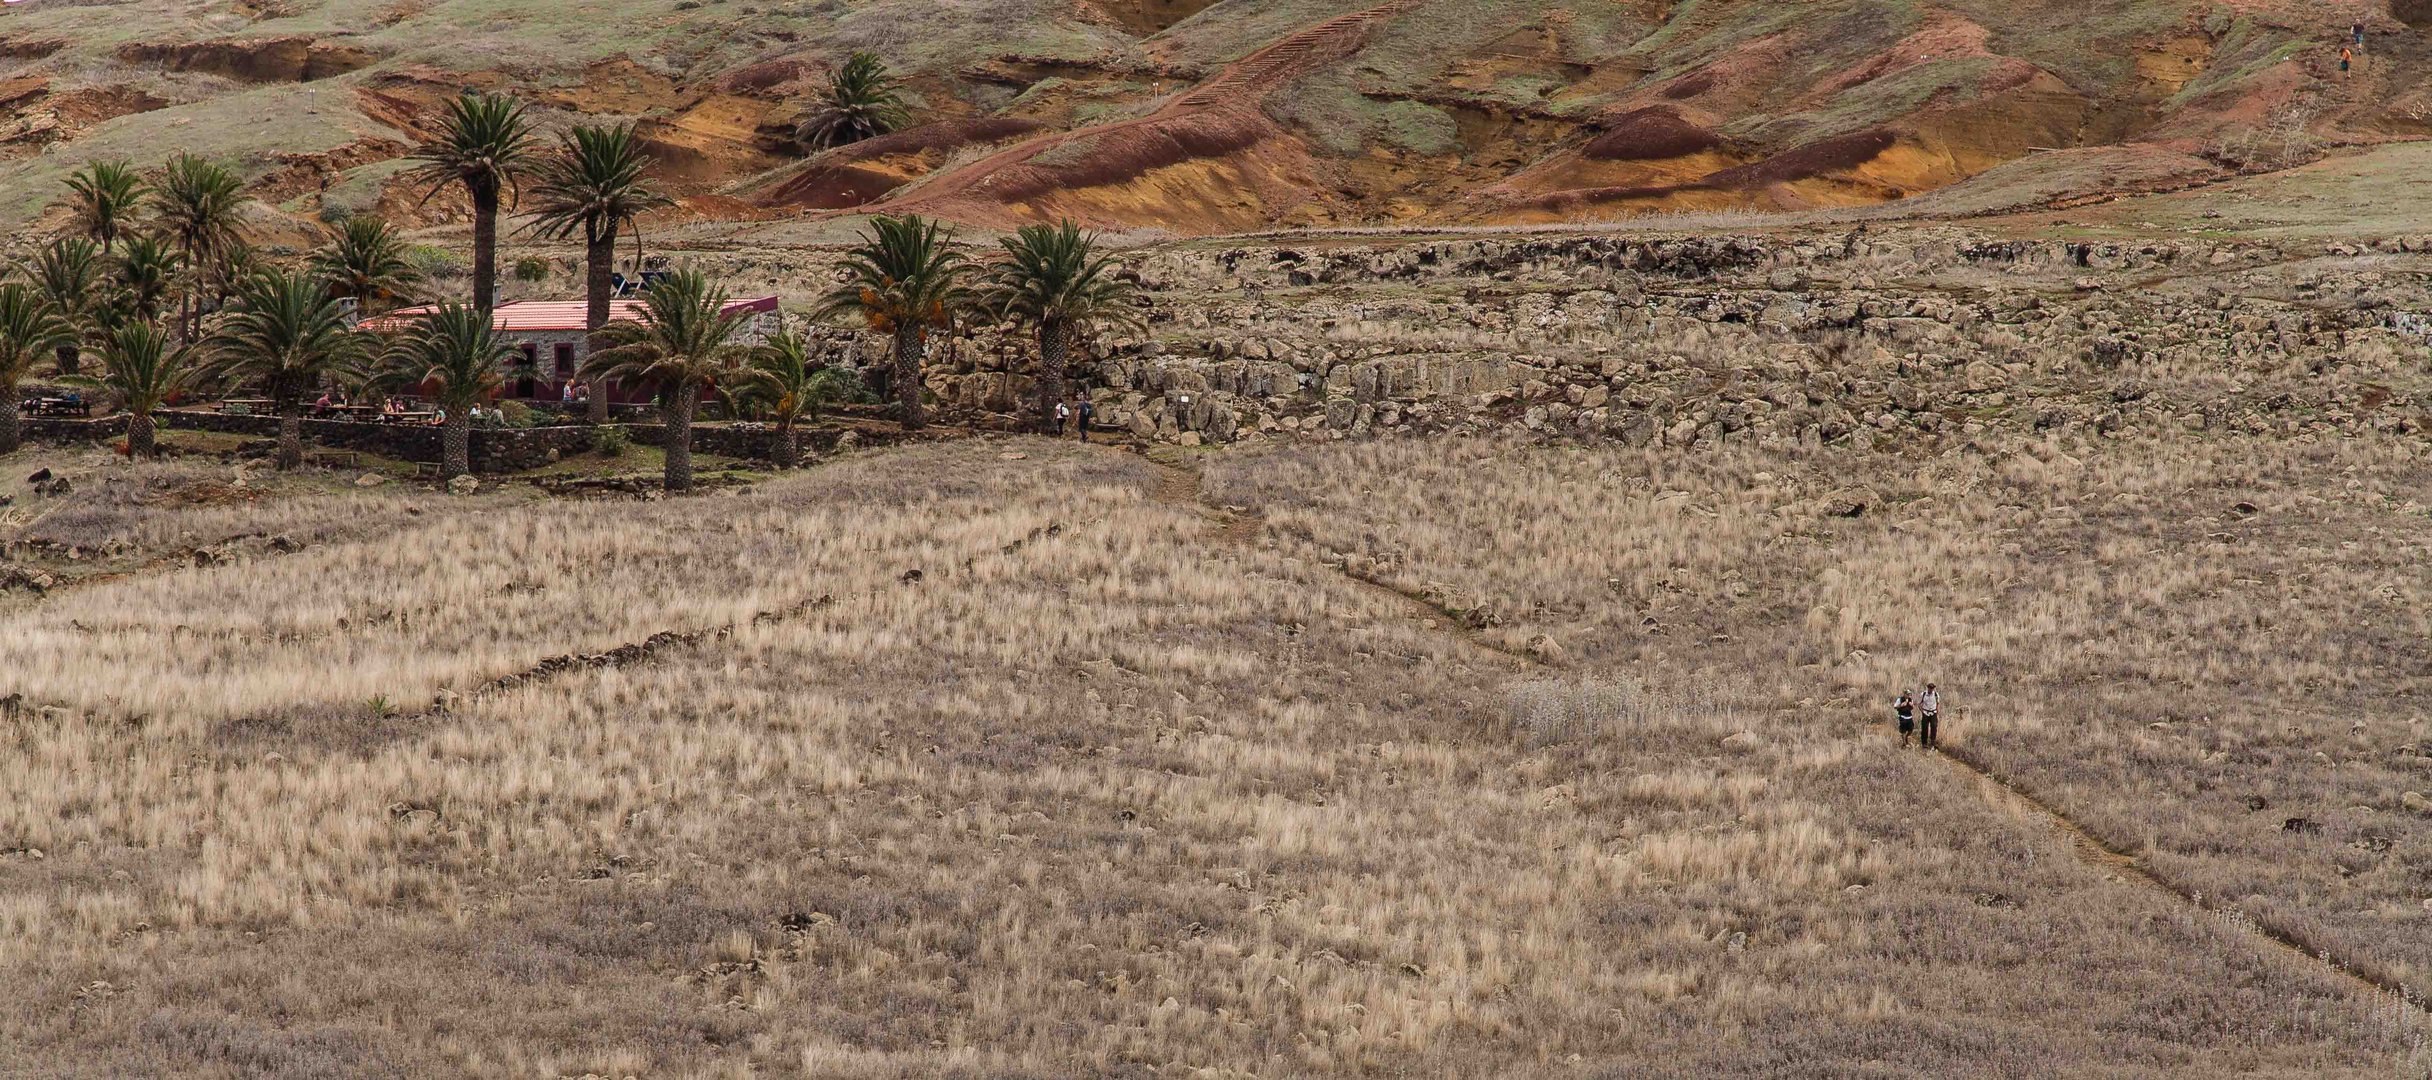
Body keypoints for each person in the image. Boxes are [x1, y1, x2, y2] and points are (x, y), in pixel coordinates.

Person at [1919, 683, 1942, 750]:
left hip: (1933, 713)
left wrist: (1937, 710)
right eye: (1930, 688)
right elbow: (1919, 704)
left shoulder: (1936, 694)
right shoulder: (1923, 694)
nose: (1931, 689)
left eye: (1932, 688)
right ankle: (1924, 743)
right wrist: (1922, 711)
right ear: (1927, 687)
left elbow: (1938, 703)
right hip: (1925, 713)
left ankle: (1932, 743)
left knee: (1934, 727)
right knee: (1924, 728)